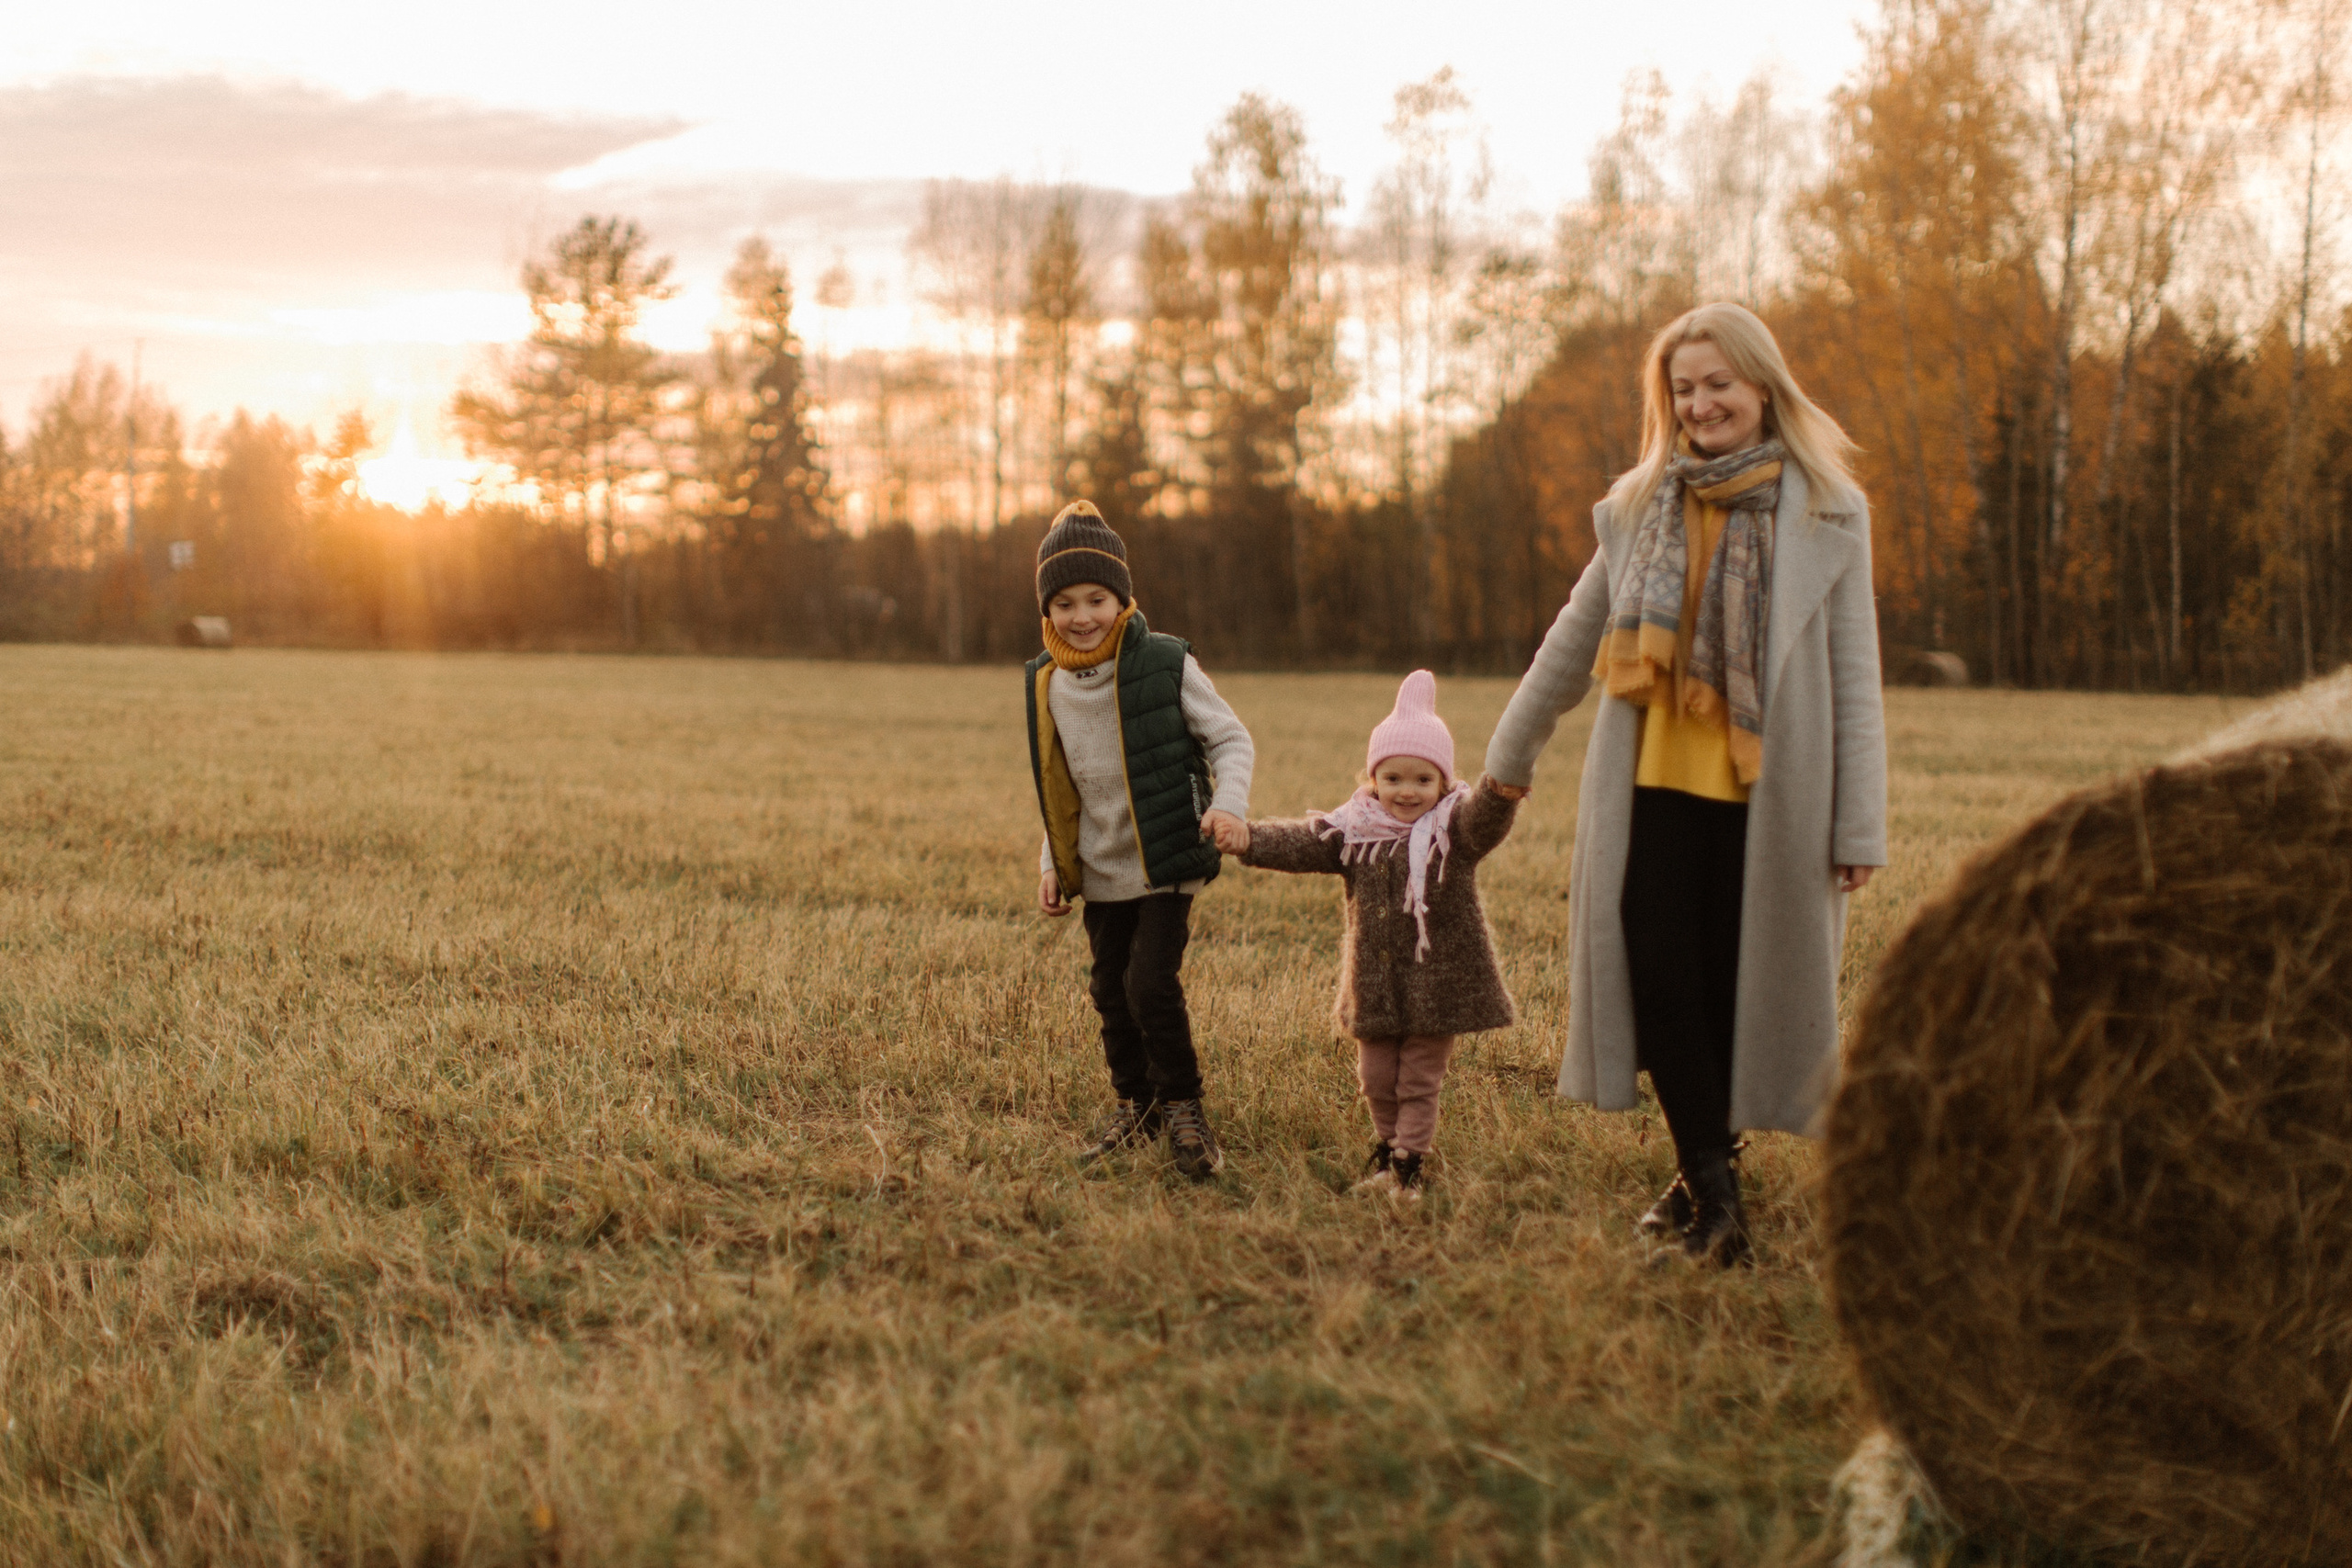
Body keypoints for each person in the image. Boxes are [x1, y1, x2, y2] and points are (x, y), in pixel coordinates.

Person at [1484, 302, 1887, 1266]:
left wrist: (1858, 825)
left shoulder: (1828, 508)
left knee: (1728, 988)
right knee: (1659, 978)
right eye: (1683, 389)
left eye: (1718, 384)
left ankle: (1704, 1173)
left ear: (1761, 388)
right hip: (1651, 792)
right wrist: (1504, 765)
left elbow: (1853, 676)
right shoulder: (1638, 509)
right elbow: (1571, 643)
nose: (1701, 403)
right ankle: (1713, 1190)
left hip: (1771, 802)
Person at [1026, 501, 1253, 1180]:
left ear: (1122, 598)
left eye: (1096, 597)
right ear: (1048, 611)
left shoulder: (1163, 662)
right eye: (1064, 602)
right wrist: (1051, 862)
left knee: (1149, 983)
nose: (1082, 615)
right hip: (1100, 867)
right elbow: (1055, 783)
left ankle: (1184, 1106)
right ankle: (1138, 1103)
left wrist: (1229, 806)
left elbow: (1231, 737)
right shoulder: (1048, 682)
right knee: (1108, 988)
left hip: (1165, 854)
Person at [1232, 671, 1519, 1199]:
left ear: (1442, 783)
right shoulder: (1355, 831)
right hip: (1376, 987)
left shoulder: (1454, 832)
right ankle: (1388, 1154)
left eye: (1422, 780)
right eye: (1392, 779)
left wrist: (1501, 791)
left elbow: (1487, 817)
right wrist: (1249, 837)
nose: (1406, 792)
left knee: (1417, 1081)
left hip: (1436, 989)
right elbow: (1302, 842)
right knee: (1376, 1077)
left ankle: (1410, 1164)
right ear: (1373, 780)